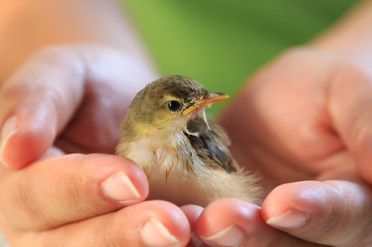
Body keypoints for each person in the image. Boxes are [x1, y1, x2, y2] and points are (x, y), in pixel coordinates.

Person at [0, 0, 372, 246]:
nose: (197, 110)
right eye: (178, 106)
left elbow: (234, 185)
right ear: (151, 115)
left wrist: (355, 63)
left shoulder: (198, 139)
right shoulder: (127, 150)